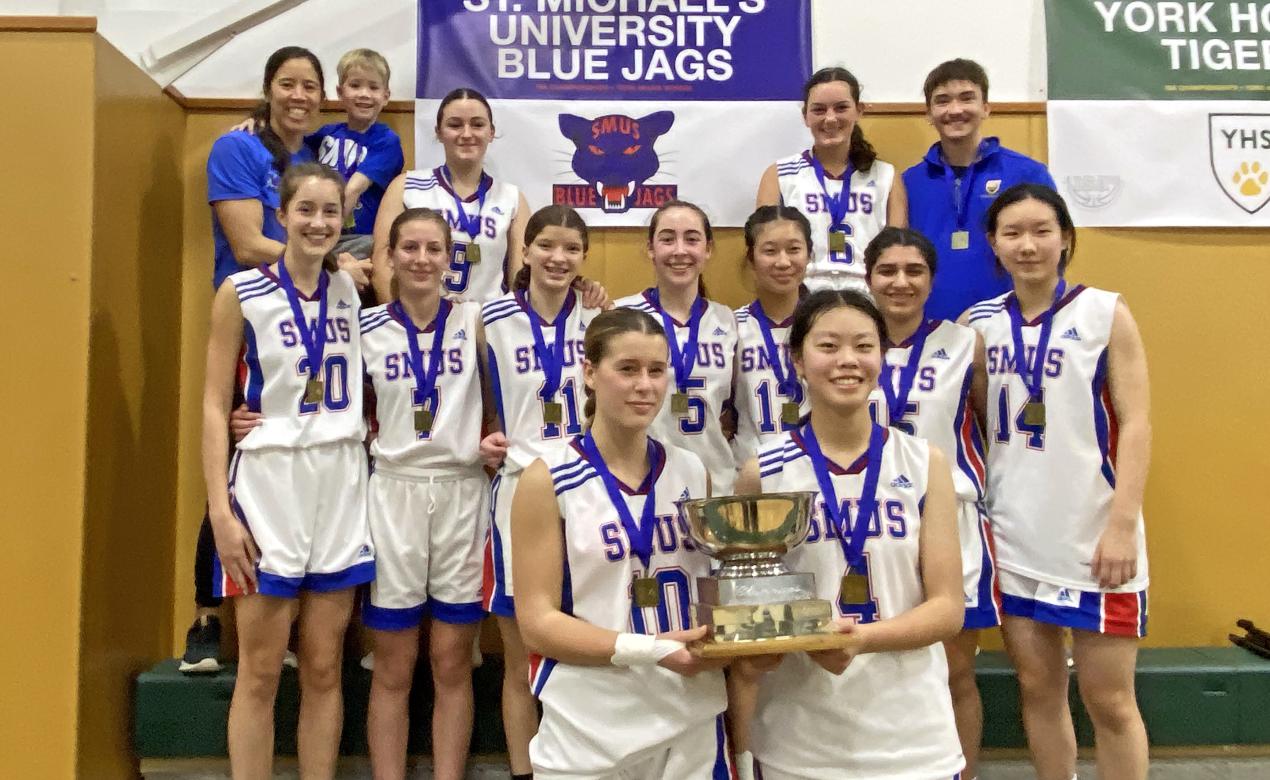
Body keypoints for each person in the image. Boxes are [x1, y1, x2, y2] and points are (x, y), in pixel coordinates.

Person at [733, 289, 965, 780]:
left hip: (913, 737)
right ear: (797, 359)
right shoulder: (763, 474)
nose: (848, 361)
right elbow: (752, 608)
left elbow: (947, 608)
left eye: (864, 346)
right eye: (828, 346)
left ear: (883, 356)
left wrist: (864, 638)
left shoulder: (925, 463)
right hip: (799, 738)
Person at [965, 184, 1151, 780]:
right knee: (1038, 688)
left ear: (1066, 238)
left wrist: (1122, 525)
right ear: (994, 244)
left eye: (1042, 231)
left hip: (1097, 538)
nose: (1028, 245)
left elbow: (1139, 424)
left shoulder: (1105, 311)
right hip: (1017, 537)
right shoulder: (978, 326)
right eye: (1012, 233)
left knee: (1111, 700)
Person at [185, 46, 354, 674]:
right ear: (268, 88)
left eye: (311, 86)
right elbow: (249, 242)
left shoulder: (313, 160)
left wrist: (340, 264)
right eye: (288, 84)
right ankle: (208, 615)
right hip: (255, 323)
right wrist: (339, 260)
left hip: (306, 322)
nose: (300, 96)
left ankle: (283, 615)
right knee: (233, 463)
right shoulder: (237, 148)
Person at [202, 163, 374, 778]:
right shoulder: (241, 291)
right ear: (281, 217)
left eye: (330, 212)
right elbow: (213, 403)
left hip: (339, 480)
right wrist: (220, 515)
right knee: (261, 668)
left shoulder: (352, 291)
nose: (319, 222)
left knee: (326, 666)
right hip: (269, 483)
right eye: (306, 210)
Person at [510, 307, 732, 779]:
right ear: (590, 373)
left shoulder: (693, 471)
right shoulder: (547, 479)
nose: (645, 385)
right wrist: (649, 649)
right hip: (589, 726)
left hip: (688, 716)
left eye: (656, 371)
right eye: (627, 369)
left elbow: (713, 593)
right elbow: (538, 624)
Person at [359, 208, 499, 780]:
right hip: (394, 492)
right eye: (409, 248)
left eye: (433, 249)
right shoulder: (363, 329)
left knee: (451, 663)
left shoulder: (476, 321)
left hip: (464, 491)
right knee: (393, 665)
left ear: (450, 258)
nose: (421, 259)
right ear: (389, 257)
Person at [864, 227, 996, 779]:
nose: (900, 282)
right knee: (876, 666)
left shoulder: (966, 343)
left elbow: (991, 428)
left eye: (913, 271)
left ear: (931, 279)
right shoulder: (847, 340)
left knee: (954, 672)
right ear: (868, 278)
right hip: (873, 521)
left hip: (954, 517)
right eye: (887, 271)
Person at [480, 205, 602, 780]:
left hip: (588, 489)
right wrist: (478, 439)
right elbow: (458, 396)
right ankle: (525, 771)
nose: (558, 258)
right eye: (546, 246)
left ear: (583, 257)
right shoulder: (488, 318)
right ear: (524, 252)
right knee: (521, 653)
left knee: (586, 638)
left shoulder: (602, 318)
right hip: (519, 491)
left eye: (572, 249)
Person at [903, 59, 1056, 322]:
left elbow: (1052, 252)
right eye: (942, 101)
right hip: (931, 329)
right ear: (928, 113)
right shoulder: (909, 182)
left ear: (985, 108)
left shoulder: (1027, 174)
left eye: (966, 98)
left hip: (1011, 328)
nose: (955, 109)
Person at [614, 200, 740, 494]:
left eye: (692, 239)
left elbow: (733, 410)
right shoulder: (622, 315)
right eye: (667, 239)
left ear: (708, 249)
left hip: (716, 482)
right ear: (650, 249)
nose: (680, 251)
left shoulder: (728, 321)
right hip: (644, 481)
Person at [372, 88, 529, 304]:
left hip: (486, 325)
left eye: (477, 124)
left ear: (491, 132)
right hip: (421, 321)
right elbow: (383, 263)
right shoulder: (406, 187)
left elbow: (521, 280)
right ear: (439, 132)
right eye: (455, 125)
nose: (466, 134)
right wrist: (398, 323)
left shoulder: (511, 198)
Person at [756, 67, 906, 293]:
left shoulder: (886, 175)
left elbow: (896, 251)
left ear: (859, 110)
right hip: (802, 293)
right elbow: (766, 249)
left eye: (841, 108)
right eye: (819, 110)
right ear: (805, 116)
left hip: (868, 294)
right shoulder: (780, 174)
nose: (830, 118)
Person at [307, 48, 405, 260]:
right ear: (340, 92)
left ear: (385, 96)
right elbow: (289, 142)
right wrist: (256, 122)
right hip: (319, 230)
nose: (364, 94)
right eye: (355, 85)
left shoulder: (386, 141)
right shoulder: (325, 134)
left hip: (359, 238)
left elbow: (353, 189)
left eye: (373, 87)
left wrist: (326, 235)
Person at [732, 206, 812, 466]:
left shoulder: (826, 323)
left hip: (814, 468)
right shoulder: (732, 326)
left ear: (810, 254)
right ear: (751, 259)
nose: (783, 262)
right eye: (770, 251)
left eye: (793, 249)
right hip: (751, 469)